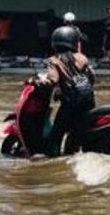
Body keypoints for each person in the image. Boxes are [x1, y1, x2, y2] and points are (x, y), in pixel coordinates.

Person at [38, 25, 96, 156]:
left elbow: (52, 80)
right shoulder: (82, 58)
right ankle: (71, 153)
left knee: (56, 135)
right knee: (75, 132)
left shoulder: (54, 60)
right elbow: (92, 77)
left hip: (71, 104)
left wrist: (38, 82)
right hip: (88, 102)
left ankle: (53, 159)